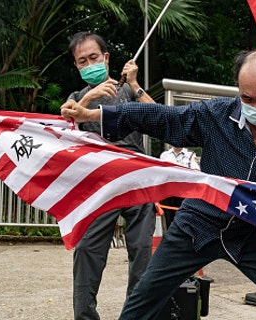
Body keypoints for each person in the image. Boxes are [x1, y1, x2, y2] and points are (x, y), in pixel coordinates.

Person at [62, 48, 256, 320]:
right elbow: (160, 118)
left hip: (250, 229)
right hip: (197, 224)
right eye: (247, 98)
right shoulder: (215, 115)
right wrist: (96, 114)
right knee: (143, 299)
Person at [64, 31, 157, 320]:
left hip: (136, 178)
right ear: (77, 67)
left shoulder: (127, 90)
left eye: (94, 57)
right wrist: (91, 96)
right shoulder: (77, 97)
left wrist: (135, 84)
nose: (89, 63)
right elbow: (64, 118)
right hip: (97, 187)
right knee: (87, 252)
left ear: (106, 58)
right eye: (82, 61)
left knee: (142, 252)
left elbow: (160, 116)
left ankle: (136, 315)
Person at [158, 146, 199, 228]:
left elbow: (196, 171)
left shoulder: (190, 155)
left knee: (184, 219)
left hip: (184, 193)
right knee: (169, 220)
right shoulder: (165, 155)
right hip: (168, 193)